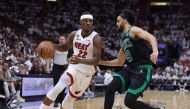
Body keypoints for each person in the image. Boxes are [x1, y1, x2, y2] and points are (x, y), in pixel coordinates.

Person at [99, 9, 164, 109]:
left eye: (118, 21)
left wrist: (155, 50)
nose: (116, 24)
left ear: (125, 21)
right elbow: (119, 62)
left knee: (129, 101)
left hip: (143, 70)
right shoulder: (122, 39)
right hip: (129, 69)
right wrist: (100, 61)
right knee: (110, 88)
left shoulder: (133, 31)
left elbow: (151, 37)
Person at [39, 12, 102, 109]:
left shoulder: (96, 38)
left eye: (90, 21)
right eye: (86, 21)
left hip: (86, 74)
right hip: (74, 68)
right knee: (58, 87)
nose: (88, 23)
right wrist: (52, 45)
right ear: (80, 22)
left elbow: (96, 60)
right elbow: (64, 47)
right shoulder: (74, 34)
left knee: (68, 101)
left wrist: (80, 60)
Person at [46, 35, 68, 107]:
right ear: (59, 40)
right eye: (60, 39)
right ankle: (56, 100)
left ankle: (61, 100)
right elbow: (49, 57)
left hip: (64, 67)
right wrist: (47, 67)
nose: (62, 40)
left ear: (65, 40)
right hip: (56, 67)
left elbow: (70, 59)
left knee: (63, 84)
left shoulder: (68, 48)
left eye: (63, 39)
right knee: (56, 84)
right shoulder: (55, 47)